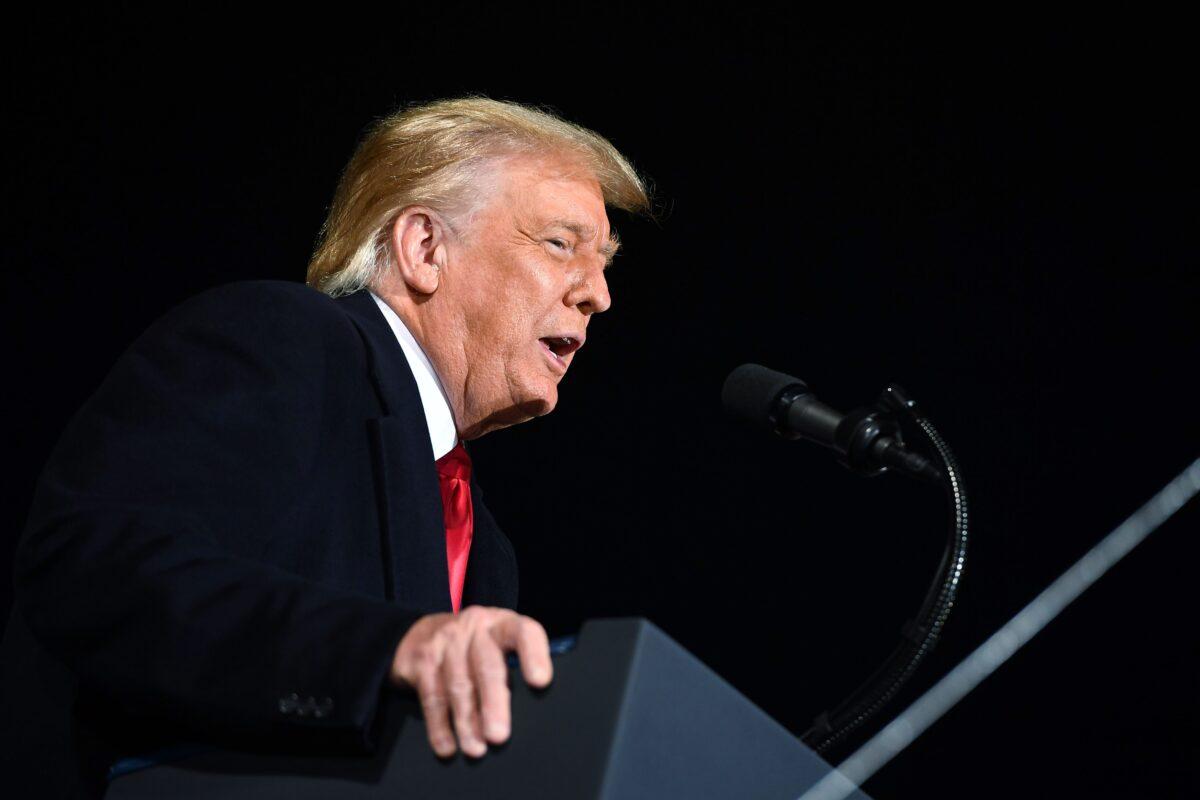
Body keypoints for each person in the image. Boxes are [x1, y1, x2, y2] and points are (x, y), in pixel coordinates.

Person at [0, 97, 650, 798]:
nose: (600, 296)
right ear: (425, 248)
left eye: (605, 262)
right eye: (561, 244)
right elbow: (95, 569)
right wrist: (387, 650)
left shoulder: (484, 547)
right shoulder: (284, 340)